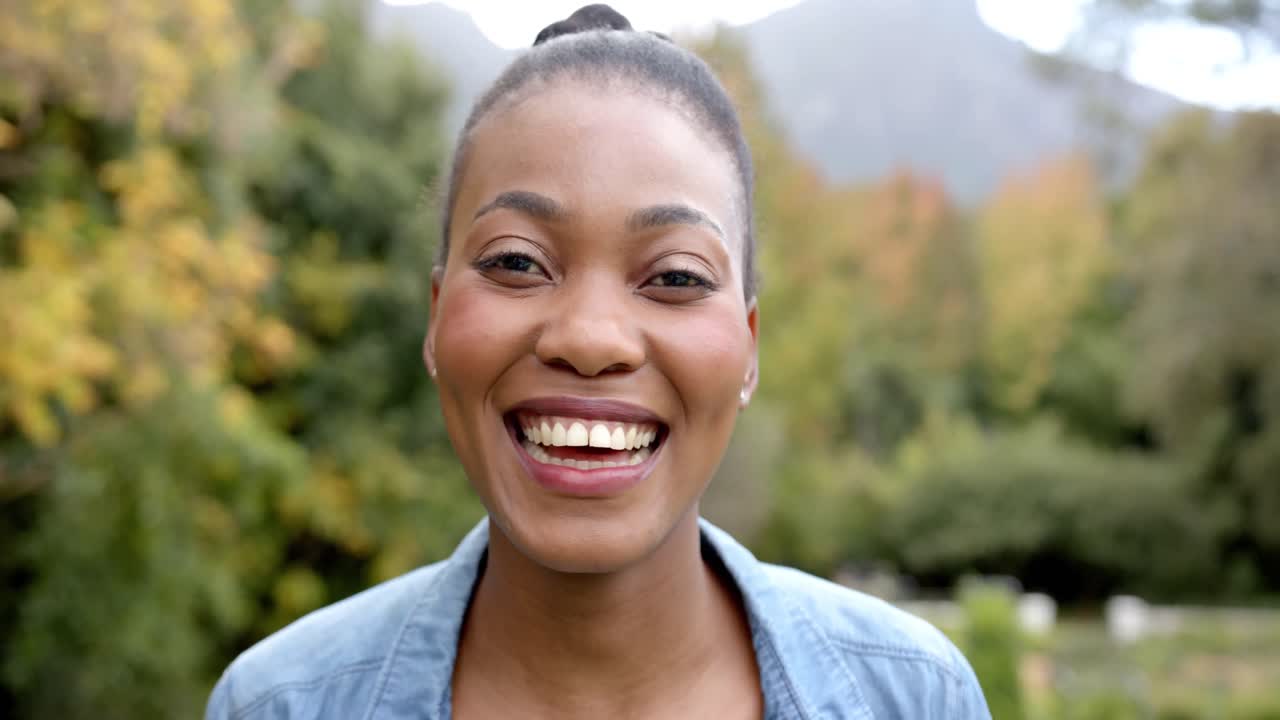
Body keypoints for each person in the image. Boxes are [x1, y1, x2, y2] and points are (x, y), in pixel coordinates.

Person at [206, 5, 992, 719]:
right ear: (435, 317)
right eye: (517, 262)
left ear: (749, 347)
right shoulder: (280, 704)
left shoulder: (915, 696)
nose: (589, 338)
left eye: (676, 276)